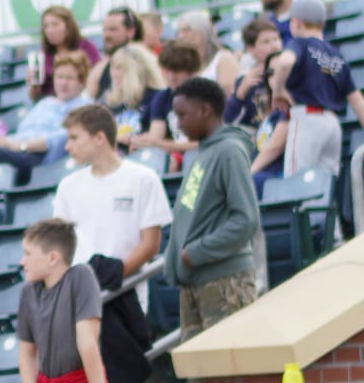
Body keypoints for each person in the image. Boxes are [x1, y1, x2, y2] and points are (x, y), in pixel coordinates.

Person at [163, 78, 261, 339]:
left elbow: (246, 219)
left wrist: (195, 252)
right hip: (195, 282)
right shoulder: (202, 153)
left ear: (205, 110)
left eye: (183, 115)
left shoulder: (229, 151)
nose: (179, 123)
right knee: (200, 376)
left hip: (225, 281)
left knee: (232, 373)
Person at [52, 105, 173, 309]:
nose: (67, 147)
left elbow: (151, 244)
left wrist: (117, 273)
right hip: (80, 300)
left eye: (74, 138)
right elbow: (60, 243)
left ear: (99, 138)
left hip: (126, 295)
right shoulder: (67, 187)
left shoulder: (143, 179)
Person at [0, 52, 93, 189]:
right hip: (19, 151)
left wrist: (19, 146)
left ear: (81, 83)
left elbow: (59, 139)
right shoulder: (45, 103)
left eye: (69, 78)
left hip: (38, 158)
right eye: (60, 77)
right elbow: (23, 132)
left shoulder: (84, 106)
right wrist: (5, 141)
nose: (63, 83)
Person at [16, 219, 113, 383]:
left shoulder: (81, 277)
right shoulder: (28, 292)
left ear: (52, 258)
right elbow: (26, 353)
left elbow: (87, 341)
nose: (22, 261)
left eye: (27, 254)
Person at [269, 0, 364, 176]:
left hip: (307, 119)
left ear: (296, 23)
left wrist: (278, 91)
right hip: (332, 124)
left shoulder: (299, 44)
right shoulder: (336, 55)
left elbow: (284, 62)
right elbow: (357, 101)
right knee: (324, 189)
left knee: (297, 185)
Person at [126, 42, 202, 158]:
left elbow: (206, 143)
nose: (171, 77)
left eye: (176, 71)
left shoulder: (205, 96)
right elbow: (155, 137)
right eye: (166, 71)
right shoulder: (162, 97)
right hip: (177, 156)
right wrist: (141, 143)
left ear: (191, 72)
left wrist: (160, 144)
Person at [100, 44, 167, 149]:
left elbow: (154, 139)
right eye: (112, 67)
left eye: (119, 68)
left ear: (135, 70)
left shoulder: (157, 98)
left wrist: (130, 140)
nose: (113, 73)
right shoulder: (108, 101)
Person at [30, 5, 102, 100]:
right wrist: (34, 85)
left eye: (55, 24)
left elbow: (98, 79)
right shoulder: (42, 55)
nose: (50, 30)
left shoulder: (86, 47)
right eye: (46, 26)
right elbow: (35, 98)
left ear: (68, 27)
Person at [227, 19, 285, 129]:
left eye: (276, 39)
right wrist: (240, 94)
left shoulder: (292, 71)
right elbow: (229, 122)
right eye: (266, 42)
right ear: (251, 49)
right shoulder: (247, 80)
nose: (275, 46)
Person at [249, 52, 291, 197]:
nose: (276, 76)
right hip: (261, 175)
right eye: (271, 72)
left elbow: (276, 146)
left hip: (278, 176)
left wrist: (247, 174)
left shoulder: (291, 107)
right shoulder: (272, 113)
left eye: (282, 70)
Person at [176, 11, 240, 94]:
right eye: (179, 31)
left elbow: (229, 95)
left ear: (202, 30)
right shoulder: (184, 64)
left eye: (187, 30)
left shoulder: (223, 59)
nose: (181, 36)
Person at [87, 6, 143, 99]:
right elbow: (89, 97)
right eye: (105, 30)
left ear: (131, 32)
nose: (107, 35)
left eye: (113, 29)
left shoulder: (142, 60)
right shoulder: (101, 67)